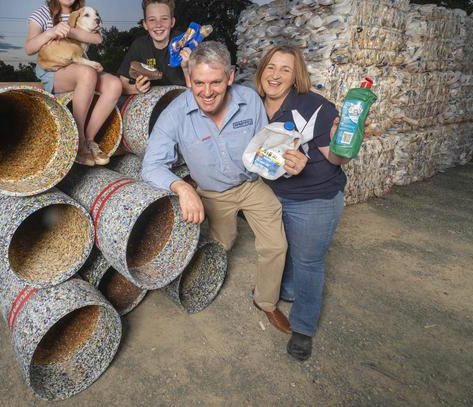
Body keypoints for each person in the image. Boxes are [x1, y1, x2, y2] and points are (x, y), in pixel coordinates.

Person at [141, 41, 307, 333]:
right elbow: (150, 166)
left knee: (276, 245)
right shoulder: (175, 113)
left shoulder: (249, 100)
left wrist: (286, 157)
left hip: (251, 184)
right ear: (189, 79)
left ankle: (265, 302)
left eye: (216, 82)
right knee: (222, 244)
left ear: (230, 77)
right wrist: (182, 187)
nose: (207, 92)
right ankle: (203, 280)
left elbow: (264, 144)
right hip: (213, 194)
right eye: (199, 83)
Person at [256, 45, 349, 362]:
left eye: (285, 69)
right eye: (271, 67)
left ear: (297, 76)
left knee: (309, 261)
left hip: (316, 196)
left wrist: (340, 141)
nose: (276, 75)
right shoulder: (254, 106)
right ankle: (289, 290)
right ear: (261, 71)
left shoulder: (314, 106)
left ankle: (304, 327)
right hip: (274, 194)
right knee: (286, 249)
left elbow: (337, 158)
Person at [25, 0, 122, 166]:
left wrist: (69, 30)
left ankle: (88, 138)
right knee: (87, 74)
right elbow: (29, 48)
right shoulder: (41, 14)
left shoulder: (82, 13)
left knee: (114, 84)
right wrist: (51, 31)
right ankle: (77, 141)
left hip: (80, 64)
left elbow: (97, 39)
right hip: (54, 71)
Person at [117, 0, 190, 94]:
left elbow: (200, 87)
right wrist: (136, 89)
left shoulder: (184, 41)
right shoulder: (139, 46)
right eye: (152, 20)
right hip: (152, 100)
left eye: (164, 19)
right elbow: (122, 83)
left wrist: (186, 68)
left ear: (172, 22)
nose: (158, 25)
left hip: (181, 96)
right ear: (145, 24)